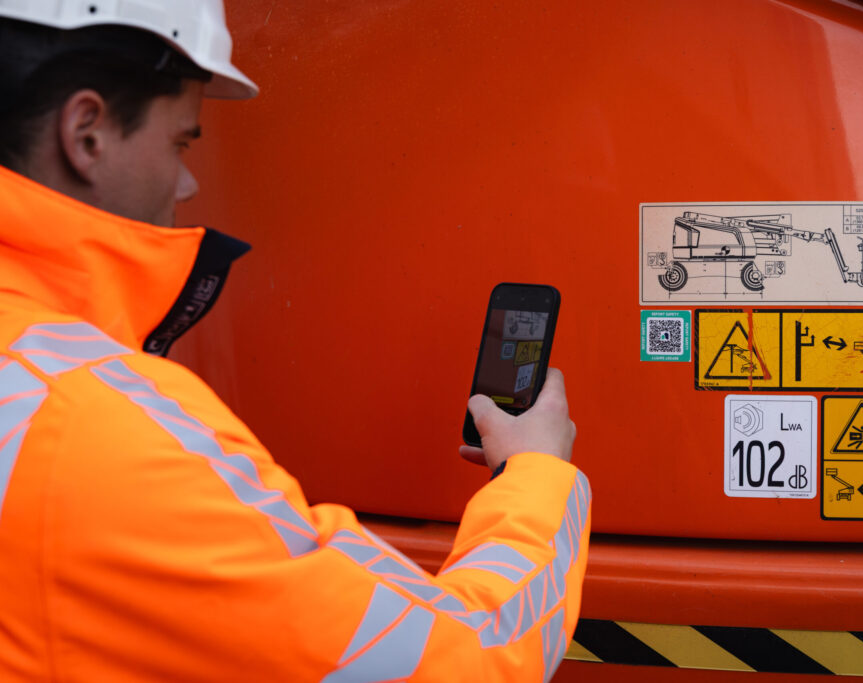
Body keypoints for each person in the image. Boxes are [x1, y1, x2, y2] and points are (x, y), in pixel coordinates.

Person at [0, 3, 590, 681]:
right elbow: (471, 658)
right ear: (87, 132)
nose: (189, 184)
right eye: (181, 143)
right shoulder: (94, 429)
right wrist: (535, 472)